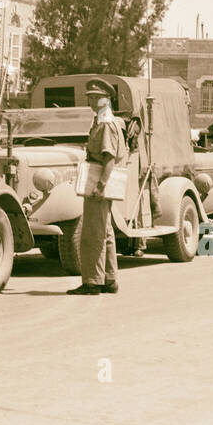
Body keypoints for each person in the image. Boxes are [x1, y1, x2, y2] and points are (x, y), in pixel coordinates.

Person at [69, 78, 127, 296]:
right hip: (101, 180)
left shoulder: (105, 123)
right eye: (90, 97)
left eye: (96, 97)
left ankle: (92, 282)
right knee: (106, 231)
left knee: (93, 233)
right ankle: (109, 279)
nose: (92, 100)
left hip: (99, 181)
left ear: (107, 99)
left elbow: (109, 157)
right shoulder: (102, 120)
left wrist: (100, 185)